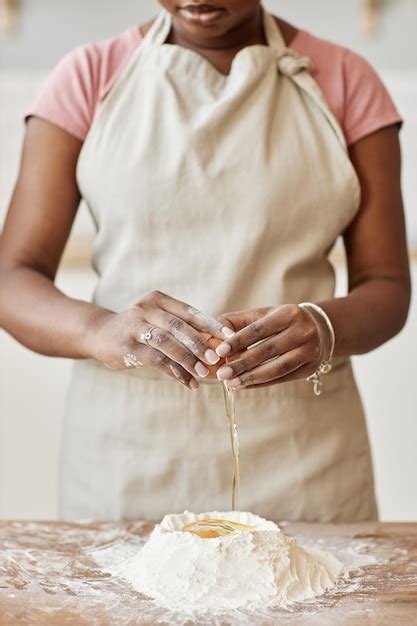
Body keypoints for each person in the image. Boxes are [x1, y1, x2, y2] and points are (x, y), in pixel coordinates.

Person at [0, 1, 410, 522]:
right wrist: (101, 330)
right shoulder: (88, 76)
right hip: (126, 460)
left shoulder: (347, 81)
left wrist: (324, 327)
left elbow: (387, 283)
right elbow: (13, 277)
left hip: (305, 462)